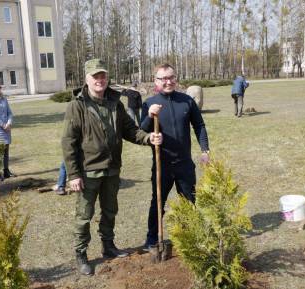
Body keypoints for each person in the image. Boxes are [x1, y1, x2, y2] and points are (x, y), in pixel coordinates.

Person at [62, 59, 162, 276]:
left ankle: (108, 246)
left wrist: (148, 138)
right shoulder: (77, 105)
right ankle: (81, 254)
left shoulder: (115, 103)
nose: (100, 80)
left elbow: (129, 130)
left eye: (103, 76)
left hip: (112, 169)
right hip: (87, 171)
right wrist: (73, 174)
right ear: (87, 79)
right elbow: (68, 142)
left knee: (110, 211)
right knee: (84, 215)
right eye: (95, 76)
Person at [140, 63, 210, 250]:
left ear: (175, 78)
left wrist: (205, 150)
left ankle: (190, 236)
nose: (168, 81)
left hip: (184, 164)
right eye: (163, 78)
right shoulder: (149, 103)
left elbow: (199, 126)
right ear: (156, 81)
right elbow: (142, 130)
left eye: (171, 77)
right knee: (158, 202)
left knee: (189, 201)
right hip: (162, 164)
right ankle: (152, 239)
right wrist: (149, 115)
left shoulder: (187, 101)